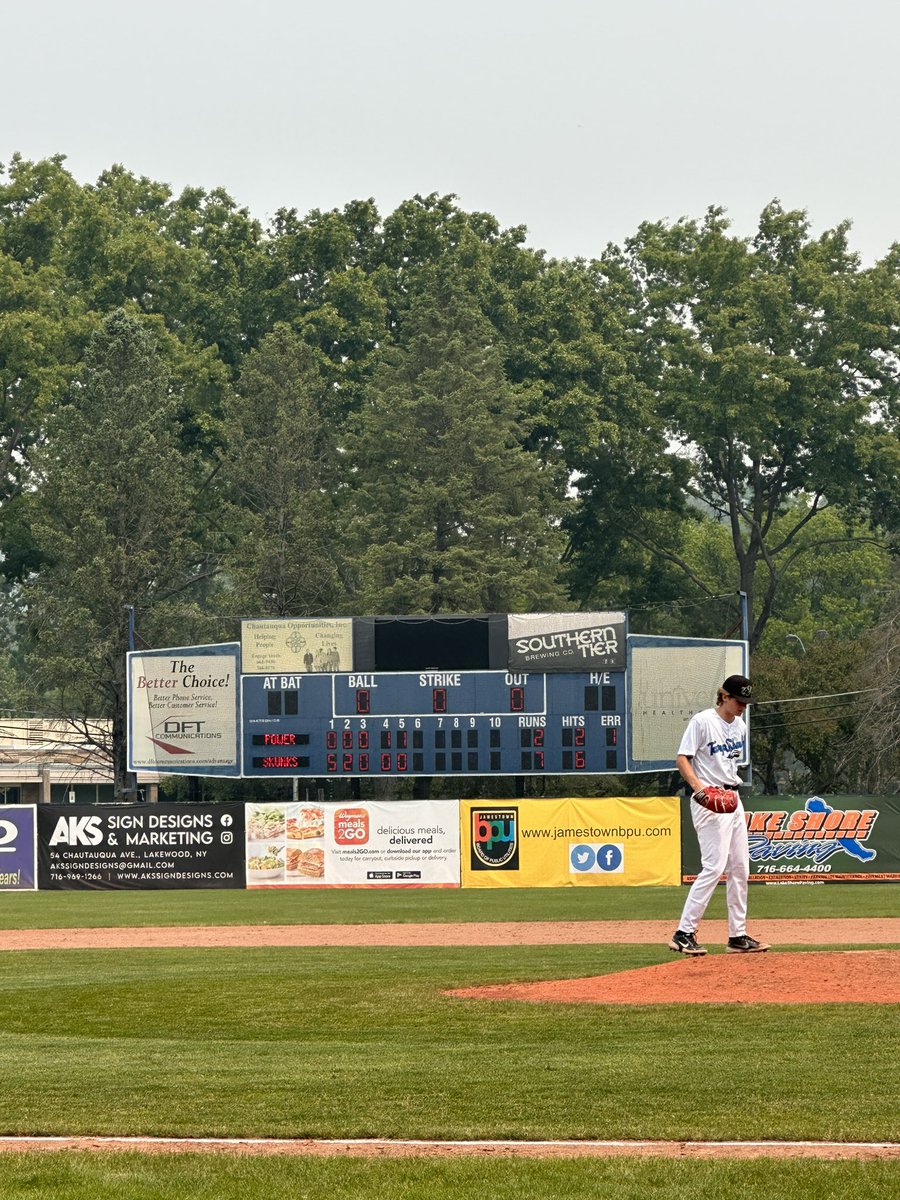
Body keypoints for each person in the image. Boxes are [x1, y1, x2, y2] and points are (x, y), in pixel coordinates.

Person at [669, 674, 770, 957]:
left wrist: (731, 794)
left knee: (740, 868)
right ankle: (683, 933)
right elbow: (682, 758)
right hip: (708, 799)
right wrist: (698, 788)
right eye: (739, 701)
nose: (743, 707)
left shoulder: (739, 726)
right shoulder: (702, 721)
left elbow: (728, 765)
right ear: (724, 696)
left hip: (732, 799)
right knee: (714, 867)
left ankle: (737, 936)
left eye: (746, 703)